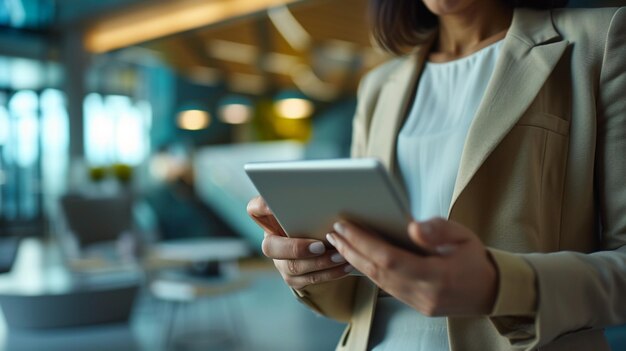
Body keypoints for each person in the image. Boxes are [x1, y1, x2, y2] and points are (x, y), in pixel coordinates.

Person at [247, 0, 626, 350]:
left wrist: (498, 287)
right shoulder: (380, 85)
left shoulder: (601, 39)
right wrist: (309, 268)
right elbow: (354, 300)